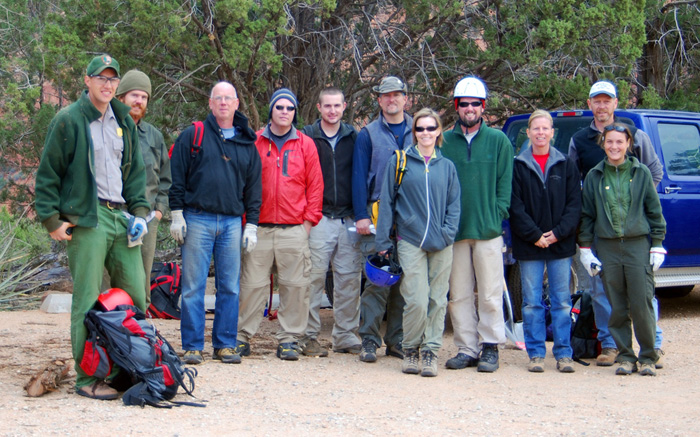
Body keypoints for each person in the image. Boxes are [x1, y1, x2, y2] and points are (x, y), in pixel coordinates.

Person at [35, 54, 149, 400]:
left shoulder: (123, 120)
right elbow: (48, 174)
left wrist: (140, 214)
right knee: (86, 300)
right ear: (87, 81)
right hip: (88, 220)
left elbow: (134, 174)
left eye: (113, 79)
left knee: (135, 296)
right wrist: (52, 220)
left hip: (120, 218)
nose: (107, 84)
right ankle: (89, 379)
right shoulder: (69, 120)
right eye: (100, 78)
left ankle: (130, 370)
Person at [568, 80, 665, 367]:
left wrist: (638, 209)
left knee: (643, 296)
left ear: (615, 103)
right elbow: (576, 188)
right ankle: (613, 348)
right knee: (604, 294)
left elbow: (654, 174)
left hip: (636, 236)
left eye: (606, 100)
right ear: (590, 104)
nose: (601, 105)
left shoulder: (636, 138)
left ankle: (652, 348)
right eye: (596, 101)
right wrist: (584, 243)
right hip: (603, 235)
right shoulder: (580, 141)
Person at [169, 81, 262, 365]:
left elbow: (254, 187)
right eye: (218, 98)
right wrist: (176, 214)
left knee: (230, 287)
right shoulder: (193, 135)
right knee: (193, 286)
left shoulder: (246, 142)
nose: (223, 103)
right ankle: (193, 346)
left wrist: (252, 224)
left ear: (236, 104)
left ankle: (225, 344)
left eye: (228, 98)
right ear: (210, 103)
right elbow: (177, 177)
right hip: (197, 219)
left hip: (233, 223)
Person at [236, 88, 323, 361]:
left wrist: (307, 223)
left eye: (290, 108)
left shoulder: (305, 144)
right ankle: (241, 336)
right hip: (258, 227)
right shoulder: (255, 142)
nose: (285, 112)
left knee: (295, 286)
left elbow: (316, 187)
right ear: (271, 110)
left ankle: (289, 339)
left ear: (295, 112)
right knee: (252, 285)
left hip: (293, 228)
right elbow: (244, 184)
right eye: (280, 107)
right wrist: (245, 222)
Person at [375, 108, 461, 377]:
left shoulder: (446, 166)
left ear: (439, 132)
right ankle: (410, 349)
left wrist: (448, 233)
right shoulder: (399, 162)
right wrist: (383, 239)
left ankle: (430, 352)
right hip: (409, 240)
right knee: (416, 300)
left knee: (438, 299)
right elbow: (386, 202)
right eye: (420, 129)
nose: (425, 133)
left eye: (430, 128)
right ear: (414, 133)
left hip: (441, 242)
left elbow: (454, 205)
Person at [441, 76, 513, 373]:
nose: (469, 108)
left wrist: (496, 213)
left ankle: (491, 346)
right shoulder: (445, 141)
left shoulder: (499, 141)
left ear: (483, 107)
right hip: (455, 232)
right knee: (458, 294)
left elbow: (505, 185)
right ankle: (467, 348)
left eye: (475, 104)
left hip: (487, 230)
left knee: (489, 292)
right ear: (456, 107)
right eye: (464, 103)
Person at [509, 110, 581, 373]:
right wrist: (535, 235)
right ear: (528, 133)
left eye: (545, 128)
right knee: (531, 303)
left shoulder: (565, 164)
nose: (540, 133)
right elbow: (514, 207)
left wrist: (557, 233)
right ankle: (536, 353)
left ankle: (563, 354)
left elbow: (575, 205)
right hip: (530, 246)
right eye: (535, 129)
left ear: (553, 132)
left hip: (560, 245)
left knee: (562, 301)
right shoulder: (517, 165)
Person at [352, 76, 413, 363]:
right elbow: (358, 177)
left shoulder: (420, 129)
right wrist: (361, 216)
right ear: (379, 100)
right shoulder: (369, 134)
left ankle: (397, 340)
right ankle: (369, 340)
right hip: (377, 218)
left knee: (403, 283)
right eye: (386, 96)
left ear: (405, 98)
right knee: (377, 282)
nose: (392, 100)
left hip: (411, 219)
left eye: (397, 95)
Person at [300, 87, 363, 357]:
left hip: (348, 217)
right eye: (327, 106)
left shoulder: (354, 137)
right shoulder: (307, 136)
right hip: (318, 217)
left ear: (344, 107)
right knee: (312, 279)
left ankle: (346, 336)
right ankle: (307, 336)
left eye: (337, 106)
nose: (332, 111)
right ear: (319, 108)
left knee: (349, 280)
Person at [114, 70, 171, 302]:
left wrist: (158, 211)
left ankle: (139, 327)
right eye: (133, 95)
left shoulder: (154, 136)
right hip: (114, 215)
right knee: (111, 277)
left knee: (141, 278)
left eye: (144, 97)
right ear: (121, 98)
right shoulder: (108, 129)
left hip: (147, 220)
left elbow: (166, 179)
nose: (139, 101)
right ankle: (108, 329)